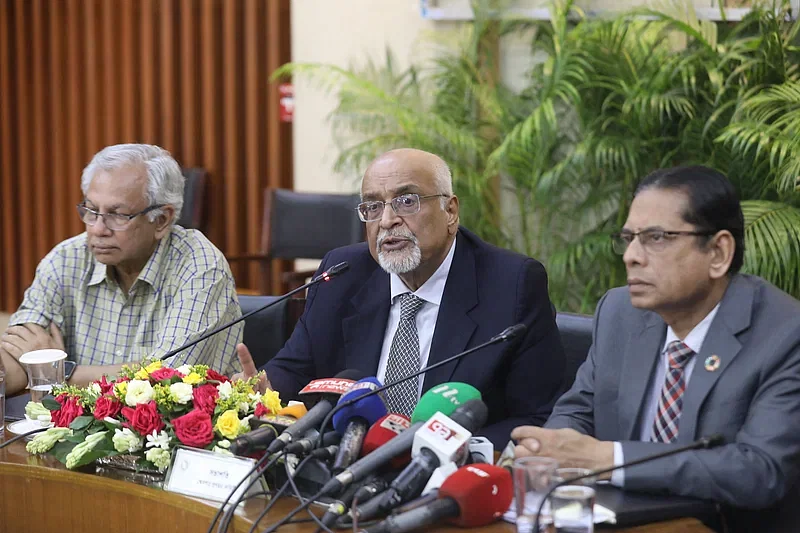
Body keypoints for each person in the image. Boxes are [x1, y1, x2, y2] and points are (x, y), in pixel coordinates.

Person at [511, 166, 800, 531]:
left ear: (718, 253)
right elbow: (578, 411)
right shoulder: (620, 313)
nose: (631, 255)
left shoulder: (785, 334)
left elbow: (759, 470)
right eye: (629, 237)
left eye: (656, 238)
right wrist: (547, 453)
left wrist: (608, 458)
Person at [236, 148, 565, 447]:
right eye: (373, 206)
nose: (388, 220)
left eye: (407, 201)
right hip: (344, 462)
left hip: (445, 477)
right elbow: (294, 369)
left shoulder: (512, 285)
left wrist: (440, 451)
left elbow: (536, 417)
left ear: (450, 211)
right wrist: (263, 390)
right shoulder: (341, 275)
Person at [0, 144, 242, 395]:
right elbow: (19, 358)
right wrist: (34, 365)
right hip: (79, 429)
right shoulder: (66, 259)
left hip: (175, 431)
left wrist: (59, 371)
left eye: (117, 215)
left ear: (161, 220)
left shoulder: (200, 267)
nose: (97, 229)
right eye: (91, 210)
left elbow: (167, 382)